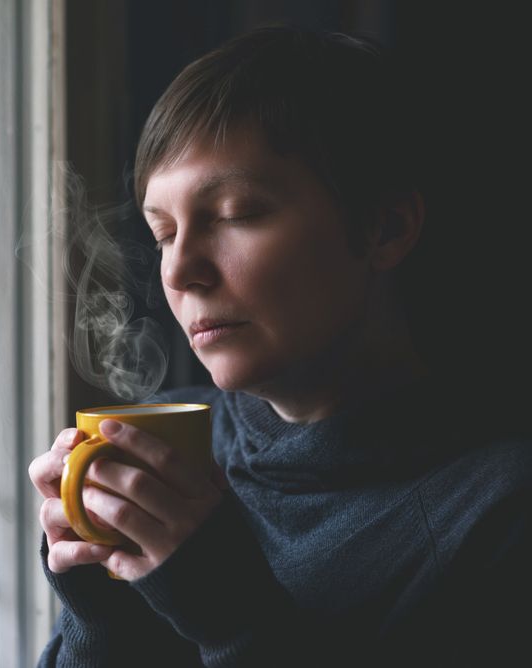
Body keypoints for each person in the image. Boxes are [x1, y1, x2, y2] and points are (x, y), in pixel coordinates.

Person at [28, 26, 532, 667]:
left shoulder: (500, 511)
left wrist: (230, 615)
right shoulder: (174, 456)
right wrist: (103, 623)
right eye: (163, 233)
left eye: (236, 214)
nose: (182, 272)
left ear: (385, 227)